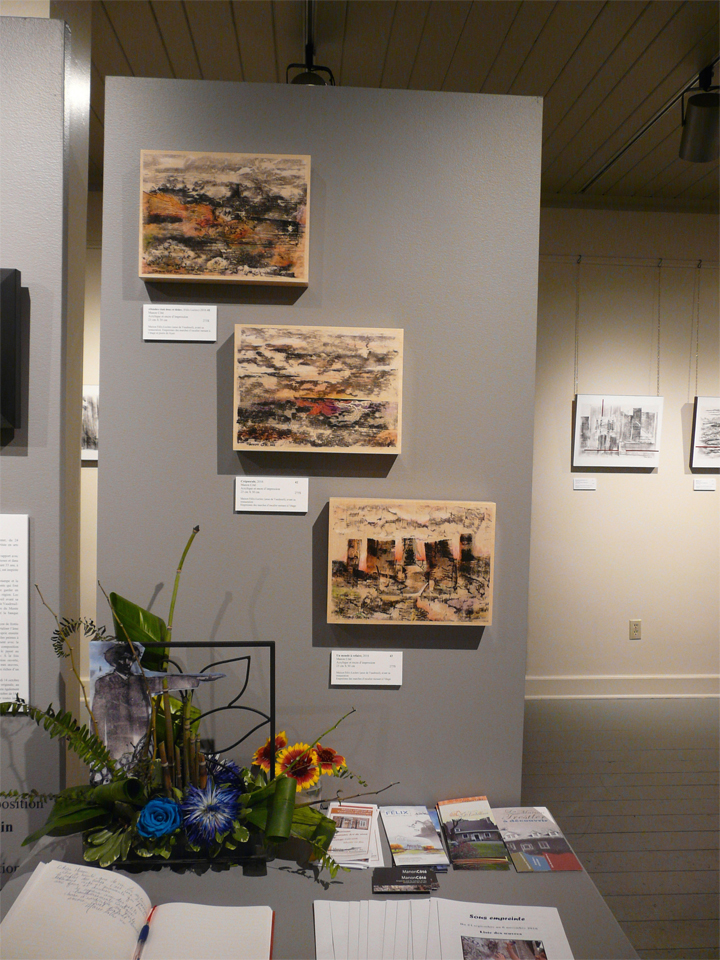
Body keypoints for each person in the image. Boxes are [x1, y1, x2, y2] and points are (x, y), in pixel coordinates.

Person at [92, 643, 221, 765]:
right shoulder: (104, 682)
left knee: (142, 770)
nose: (127, 662)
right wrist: (99, 744)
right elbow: (98, 715)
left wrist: (199, 679)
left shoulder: (141, 681)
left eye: (130, 658)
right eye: (123, 658)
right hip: (117, 741)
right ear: (115, 660)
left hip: (141, 740)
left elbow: (167, 682)